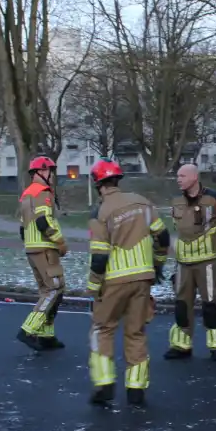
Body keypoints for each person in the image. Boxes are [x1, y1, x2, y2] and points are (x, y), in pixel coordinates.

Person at [85, 159, 169, 407]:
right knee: (136, 332)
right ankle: (136, 388)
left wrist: (94, 286)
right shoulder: (143, 202)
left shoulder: (99, 212)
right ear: (117, 180)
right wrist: (158, 264)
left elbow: (99, 257)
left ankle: (104, 382)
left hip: (114, 280)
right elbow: (162, 236)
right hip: (143, 278)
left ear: (98, 184)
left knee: (102, 329)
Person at [164, 163, 216, 362]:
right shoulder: (176, 199)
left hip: (209, 262)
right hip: (183, 263)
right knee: (181, 305)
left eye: (182, 175)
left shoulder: (215, 198)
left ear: (194, 177)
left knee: (211, 305)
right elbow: (177, 226)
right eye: (177, 175)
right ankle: (181, 345)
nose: (178, 179)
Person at [16, 155, 69, 351]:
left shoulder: (27, 194)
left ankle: (47, 336)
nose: (52, 175)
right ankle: (29, 330)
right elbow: (43, 222)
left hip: (32, 249)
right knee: (54, 289)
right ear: (39, 172)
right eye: (49, 171)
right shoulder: (43, 193)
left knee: (48, 291)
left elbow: (23, 226)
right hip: (46, 248)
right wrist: (60, 242)